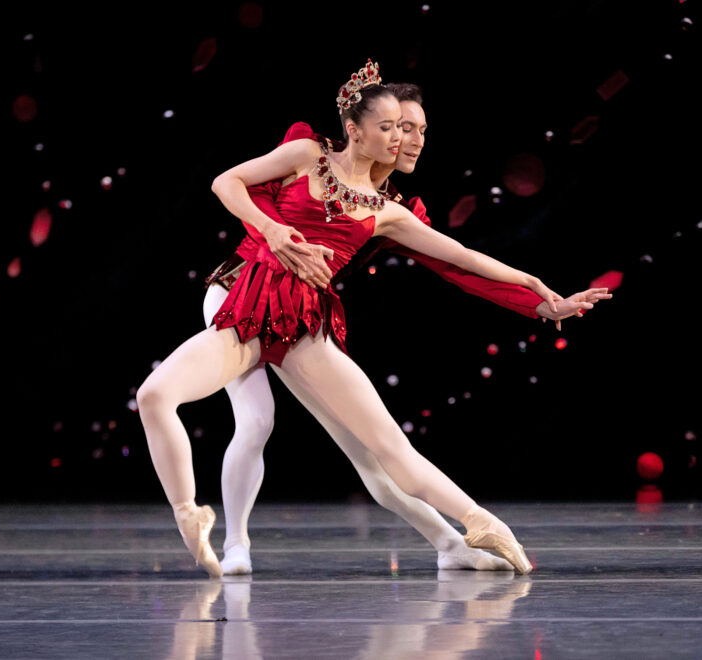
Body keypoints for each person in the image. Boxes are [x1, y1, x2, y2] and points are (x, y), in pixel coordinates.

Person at [137, 60, 610, 578]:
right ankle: (233, 543)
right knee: (254, 419)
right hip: (240, 294)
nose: (407, 138)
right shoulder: (309, 157)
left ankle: (458, 538)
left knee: (378, 455)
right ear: (357, 128)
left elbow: (460, 259)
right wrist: (274, 233)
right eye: (395, 126)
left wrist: (539, 295)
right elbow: (230, 184)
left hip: (303, 321)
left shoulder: (391, 211)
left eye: (413, 130)